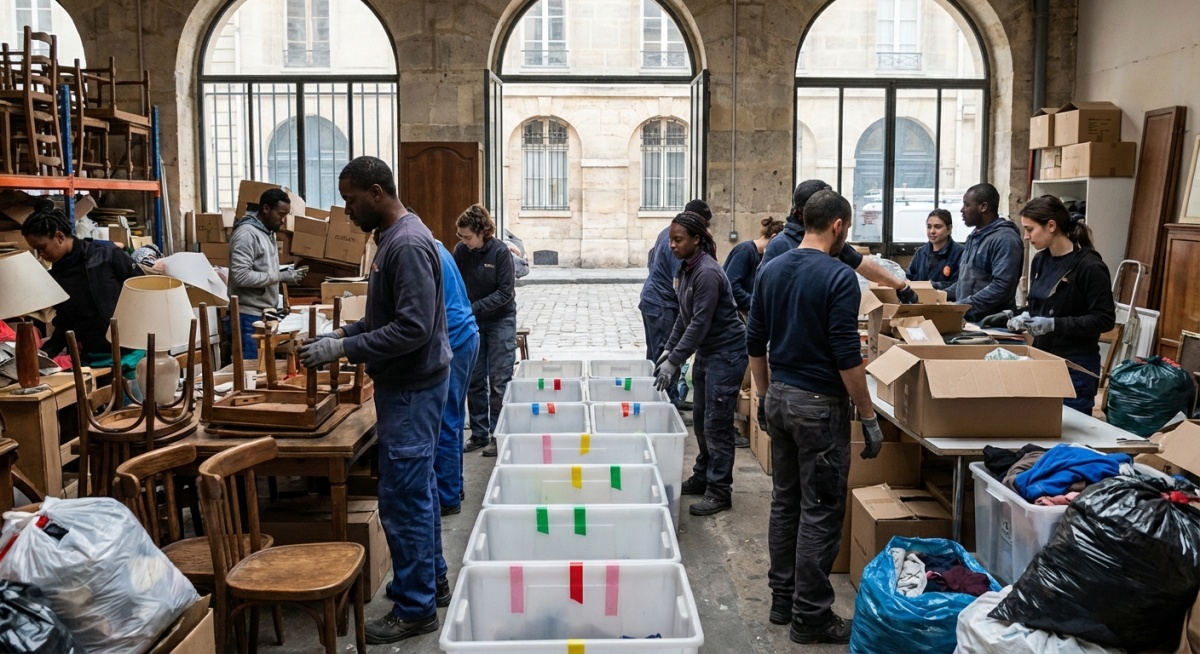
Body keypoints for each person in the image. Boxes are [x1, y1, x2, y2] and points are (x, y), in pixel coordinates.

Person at [297, 156, 452, 644]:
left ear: (377, 192)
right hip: (411, 385)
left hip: (411, 388)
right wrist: (344, 333)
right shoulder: (394, 238)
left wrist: (343, 350)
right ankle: (431, 581)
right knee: (419, 488)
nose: (347, 211)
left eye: (351, 200)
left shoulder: (404, 244)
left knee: (403, 499)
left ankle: (415, 607)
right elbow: (387, 317)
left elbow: (413, 328)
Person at [746, 189, 883, 645]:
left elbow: (755, 340)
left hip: (781, 399)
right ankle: (811, 616)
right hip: (818, 408)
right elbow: (846, 355)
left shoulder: (771, 268)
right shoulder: (839, 276)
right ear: (838, 226)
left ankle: (782, 600)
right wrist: (868, 416)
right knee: (820, 510)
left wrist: (764, 395)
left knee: (786, 502)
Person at [983, 195, 1115, 415]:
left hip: (1075, 367)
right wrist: (1013, 315)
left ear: (1051, 226)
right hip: (1043, 359)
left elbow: (1104, 319)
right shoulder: (1041, 260)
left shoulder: (1090, 266)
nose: (1026, 237)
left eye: (1030, 229)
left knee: (1068, 430)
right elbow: (1041, 307)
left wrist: (1053, 324)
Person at [654, 210, 748, 517]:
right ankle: (703, 475)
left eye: (678, 240)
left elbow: (699, 323)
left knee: (716, 424)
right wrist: (668, 351)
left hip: (726, 353)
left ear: (696, 239)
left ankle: (720, 491)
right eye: (671, 239)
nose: (672, 245)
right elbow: (684, 317)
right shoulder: (685, 269)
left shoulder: (707, 272)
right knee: (700, 417)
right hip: (709, 353)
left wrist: (675, 361)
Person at [21, 200, 144, 370]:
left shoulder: (107, 255)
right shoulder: (57, 276)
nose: (41, 255)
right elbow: (65, 322)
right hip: (93, 359)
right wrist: (45, 354)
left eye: (42, 248)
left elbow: (143, 291)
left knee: (133, 388)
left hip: (131, 355)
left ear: (59, 237)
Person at [760, 180, 919, 303]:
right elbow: (762, 295)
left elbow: (861, 263)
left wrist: (900, 285)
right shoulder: (780, 245)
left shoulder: (833, 242)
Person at [455, 204, 516, 458]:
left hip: (501, 320)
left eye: (468, 236)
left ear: (482, 232)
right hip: (473, 322)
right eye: (460, 236)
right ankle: (479, 434)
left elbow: (505, 292)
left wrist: (474, 307)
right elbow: (455, 283)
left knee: (500, 381)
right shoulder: (461, 251)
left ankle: (498, 435)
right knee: (475, 378)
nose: (463, 241)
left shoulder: (500, 252)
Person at [640, 199, 712, 408]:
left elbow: (651, 259)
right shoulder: (681, 242)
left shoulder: (668, 232)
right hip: (661, 303)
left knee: (657, 353)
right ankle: (668, 403)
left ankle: (661, 400)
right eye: (705, 224)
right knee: (664, 353)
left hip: (653, 299)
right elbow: (681, 282)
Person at [227, 188, 306, 359]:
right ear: (265, 209)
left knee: (263, 368)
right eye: (280, 214)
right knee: (250, 369)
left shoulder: (267, 232)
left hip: (264, 314)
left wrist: (285, 272)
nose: (283, 220)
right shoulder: (247, 234)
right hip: (248, 317)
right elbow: (240, 276)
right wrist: (279, 276)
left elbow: (262, 269)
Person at [434, 240, 480, 516]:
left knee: (446, 420)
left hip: (455, 339)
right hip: (465, 335)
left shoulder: (416, 249)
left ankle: (448, 496)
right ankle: (455, 486)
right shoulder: (436, 245)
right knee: (453, 417)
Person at [945, 183, 1024, 323]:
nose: (962, 210)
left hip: (991, 325)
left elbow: (1002, 287)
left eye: (966, 205)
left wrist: (962, 307)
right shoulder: (974, 237)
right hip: (969, 321)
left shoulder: (1005, 239)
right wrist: (938, 293)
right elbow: (967, 282)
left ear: (983, 207)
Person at [724, 217, 785, 314]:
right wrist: (755, 305)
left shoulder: (763, 257)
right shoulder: (745, 250)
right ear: (773, 237)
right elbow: (731, 285)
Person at [906, 208, 965, 287]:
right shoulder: (921, 253)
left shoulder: (960, 253)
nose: (932, 231)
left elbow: (960, 285)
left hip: (945, 295)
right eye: (929, 227)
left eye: (937, 227)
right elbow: (909, 277)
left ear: (949, 229)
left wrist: (933, 286)